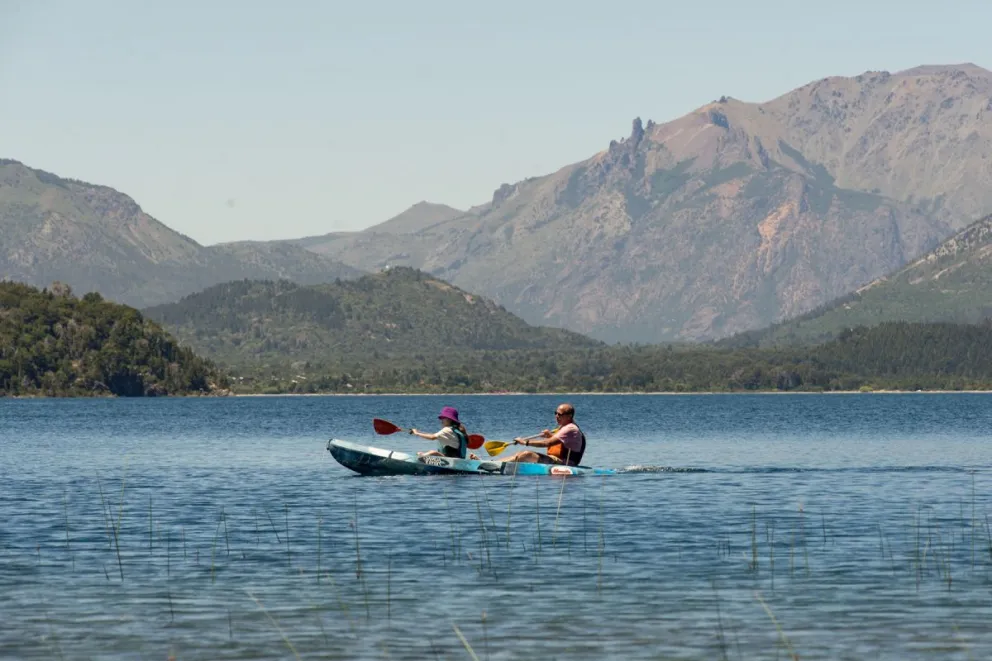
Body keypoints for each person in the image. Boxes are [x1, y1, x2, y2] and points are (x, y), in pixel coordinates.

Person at [502, 403, 586, 466]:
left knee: (526, 454)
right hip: (558, 460)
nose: (556, 416)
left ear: (569, 416)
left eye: (560, 414)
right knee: (519, 454)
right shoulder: (565, 427)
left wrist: (525, 442)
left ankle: (499, 465)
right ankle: (497, 463)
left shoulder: (570, 428)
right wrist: (550, 435)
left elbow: (547, 443)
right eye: (555, 413)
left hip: (565, 464)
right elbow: (562, 442)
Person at [409, 406, 479, 460]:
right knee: (424, 453)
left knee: (433, 452)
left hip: (453, 461)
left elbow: (432, 437)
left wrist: (416, 433)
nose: (441, 420)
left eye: (444, 418)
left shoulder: (447, 430)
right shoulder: (458, 430)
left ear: (449, 419)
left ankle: (417, 459)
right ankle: (421, 456)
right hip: (459, 459)